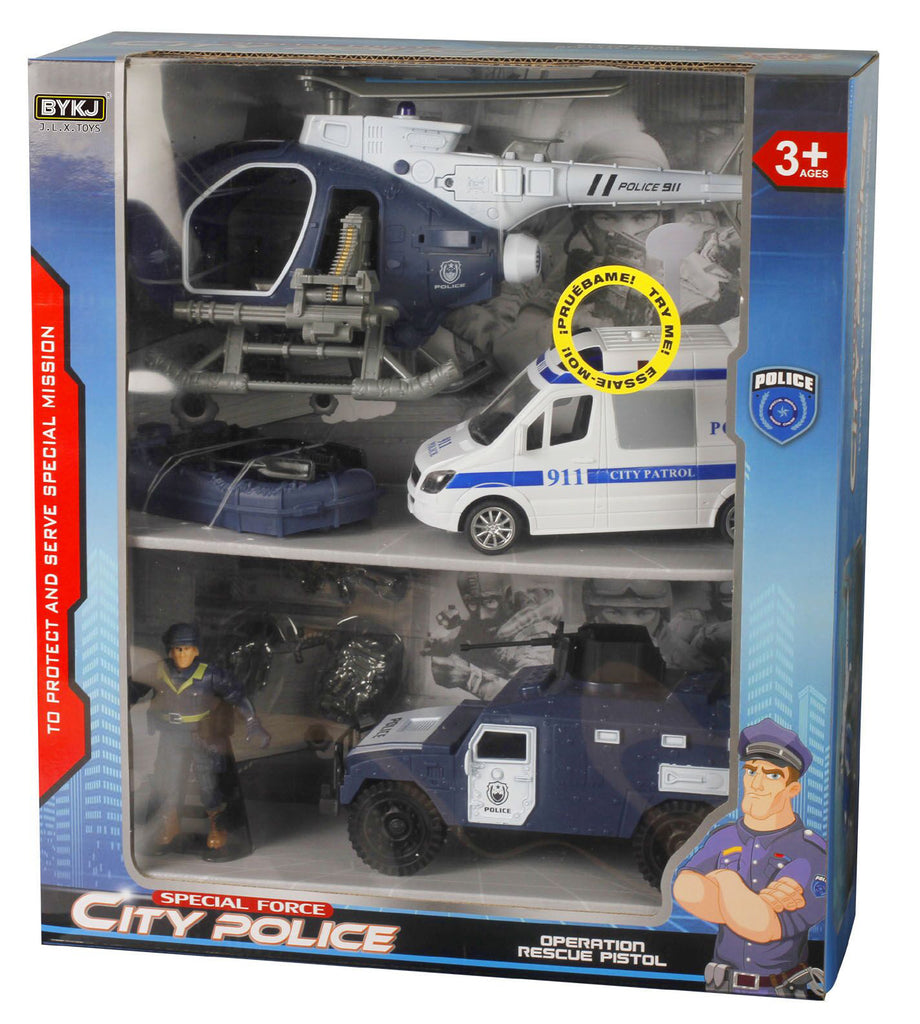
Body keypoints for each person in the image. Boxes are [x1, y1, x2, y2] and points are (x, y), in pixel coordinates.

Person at [673, 719, 827, 997]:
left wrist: (724, 881)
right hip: (719, 986)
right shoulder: (725, 836)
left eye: (772, 776)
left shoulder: (810, 852)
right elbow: (685, 889)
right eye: (751, 771)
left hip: (780, 991)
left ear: (792, 789)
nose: (756, 783)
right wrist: (744, 905)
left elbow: (762, 927)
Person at [146, 623, 270, 856]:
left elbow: (238, 696)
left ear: (196, 650)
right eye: (177, 649)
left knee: (209, 784)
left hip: (202, 737)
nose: (181, 654)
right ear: (170, 651)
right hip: (171, 735)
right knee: (168, 781)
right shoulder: (159, 671)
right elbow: (132, 687)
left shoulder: (210, 675)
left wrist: (253, 723)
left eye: (186, 649)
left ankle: (217, 827)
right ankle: (170, 823)